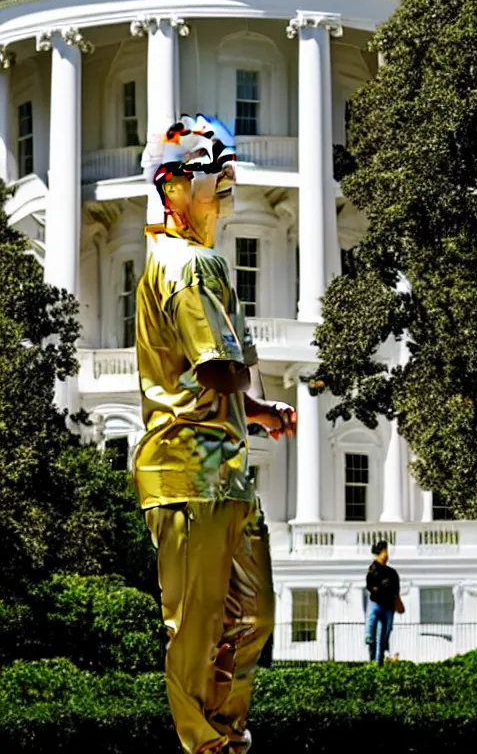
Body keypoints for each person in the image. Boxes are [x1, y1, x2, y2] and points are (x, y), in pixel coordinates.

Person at [133, 114, 296, 754]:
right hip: (183, 473)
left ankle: (225, 739)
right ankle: (202, 746)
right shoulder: (187, 265)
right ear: (171, 185)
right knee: (196, 628)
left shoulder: (199, 261)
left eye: (227, 165)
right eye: (211, 168)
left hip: (224, 471)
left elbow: (211, 382)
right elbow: (222, 368)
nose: (226, 179)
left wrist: (256, 413)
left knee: (253, 618)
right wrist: (251, 376)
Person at [365, 540, 401, 666]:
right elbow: (370, 585)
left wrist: (398, 604)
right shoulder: (373, 569)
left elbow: (396, 591)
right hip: (376, 605)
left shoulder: (392, 573)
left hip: (388, 607)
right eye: (384, 552)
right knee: (370, 637)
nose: (386, 555)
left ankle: (378, 664)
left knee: (382, 639)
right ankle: (372, 660)